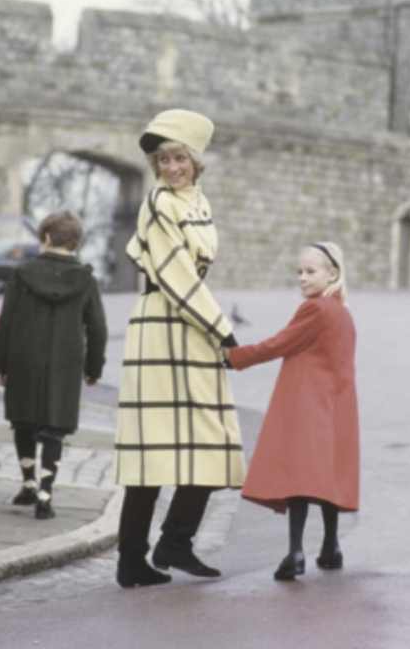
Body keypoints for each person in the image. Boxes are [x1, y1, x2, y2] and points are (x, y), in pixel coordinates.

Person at [114, 109, 244, 589]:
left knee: (213, 441)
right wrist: (222, 327)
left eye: (178, 158)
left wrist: (212, 327)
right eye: (163, 159)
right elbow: (174, 273)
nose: (170, 168)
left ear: (195, 160)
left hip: (194, 329)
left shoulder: (199, 200)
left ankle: (176, 542)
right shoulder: (157, 202)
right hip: (161, 326)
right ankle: (131, 558)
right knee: (152, 450)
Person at [224, 242, 359, 581]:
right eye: (299, 271)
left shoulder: (315, 310)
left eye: (310, 272)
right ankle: (330, 547)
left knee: (298, 477)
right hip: (337, 404)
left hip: (307, 401)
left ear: (333, 273)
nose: (302, 278)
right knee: (327, 476)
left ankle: (295, 552)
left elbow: (278, 344)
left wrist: (233, 357)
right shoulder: (343, 313)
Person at [0, 211, 108, 520]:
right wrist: (93, 368)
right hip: (65, 363)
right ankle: (45, 492)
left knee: (24, 422)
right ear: (76, 242)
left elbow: (7, 322)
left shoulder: (22, 274)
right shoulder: (86, 279)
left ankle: (28, 482)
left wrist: (0, 362)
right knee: (54, 428)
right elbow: (97, 328)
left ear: (45, 237)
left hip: (24, 358)